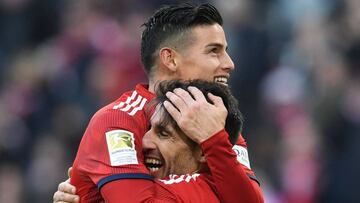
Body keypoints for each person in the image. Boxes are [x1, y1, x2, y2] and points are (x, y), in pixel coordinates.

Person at [53, 3, 263, 203]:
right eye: (214, 51)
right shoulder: (117, 122)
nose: (229, 64)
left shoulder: (214, 121)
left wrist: (215, 140)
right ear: (170, 59)